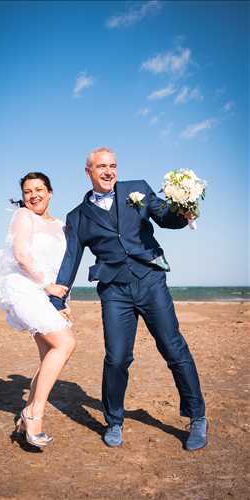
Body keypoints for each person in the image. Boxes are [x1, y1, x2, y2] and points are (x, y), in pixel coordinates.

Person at [50, 147, 207, 450]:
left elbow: (165, 217)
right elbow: (71, 258)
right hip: (114, 292)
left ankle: (197, 416)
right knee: (118, 357)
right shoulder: (78, 217)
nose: (108, 172)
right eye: (101, 167)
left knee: (173, 348)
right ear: (88, 172)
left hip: (150, 281)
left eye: (113, 166)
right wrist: (60, 294)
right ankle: (114, 421)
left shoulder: (138, 189)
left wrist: (183, 210)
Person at [0, 172, 75, 448]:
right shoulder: (23, 217)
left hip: (47, 293)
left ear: (50, 192)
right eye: (28, 191)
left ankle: (24, 421)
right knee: (65, 343)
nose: (33, 195)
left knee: (50, 353)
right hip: (24, 288)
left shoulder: (60, 225)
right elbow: (22, 255)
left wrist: (63, 303)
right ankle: (34, 414)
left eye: (39, 189)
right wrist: (47, 286)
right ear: (23, 196)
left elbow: (62, 267)